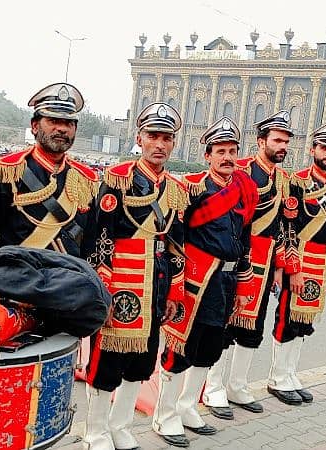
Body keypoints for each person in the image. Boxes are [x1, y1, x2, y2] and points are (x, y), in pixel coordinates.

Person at [82, 102, 187, 450]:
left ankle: (120, 426)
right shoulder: (117, 178)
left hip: (155, 282)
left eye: (167, 138)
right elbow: (99, 236)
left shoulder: (175, 189)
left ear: (174, 142)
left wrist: (174, 290)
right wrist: (102, 287)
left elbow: (176, 244)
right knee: (106, 359)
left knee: (141, 361)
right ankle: (95, 431)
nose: (159, 144)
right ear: (139, 137)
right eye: (153, 136)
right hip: (122, 281)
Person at [152, 117, 257, 447]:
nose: (228, 158)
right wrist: (176, 284)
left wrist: (242, 285)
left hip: (226, 280)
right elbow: (175, 239)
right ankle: (164, 414)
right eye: (221, 151)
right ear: (208, 155)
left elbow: (244, 239)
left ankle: (186, 406)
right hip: (197, 280)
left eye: (233, 151)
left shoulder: (242, 192)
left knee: (210, 347)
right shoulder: (192, 189)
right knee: (182, 347)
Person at [202, 110, 291, 419]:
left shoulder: (283, 178)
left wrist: (280, 265)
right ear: (261, 141)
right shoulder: (240, 174)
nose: (282, 146)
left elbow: (280, 225)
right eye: (277, 140)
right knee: (226, 325)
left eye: (285, 141)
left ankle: (237, 385)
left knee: (253, 328)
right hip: (241, 256)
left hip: (267, 262)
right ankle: (213, 388)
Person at [267, 124, 326, 406]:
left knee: (307, 322)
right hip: (299, 257)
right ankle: (277, 377)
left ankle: (291, 373)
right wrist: (292, 268)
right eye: (323, 148)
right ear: (312, 150)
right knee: (288, 319)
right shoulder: (296, 182)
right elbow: (286, 227)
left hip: (323, 260)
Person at [0, 83, 98, 260]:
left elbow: (90, 241)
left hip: (69, 280)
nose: (62, 128)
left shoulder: (85, 179)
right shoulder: (9, 171)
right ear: (35, 126)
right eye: (53, 121)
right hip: (17, 278)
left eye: (69, 123)